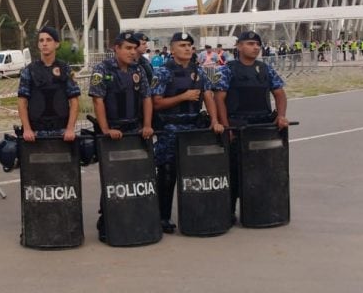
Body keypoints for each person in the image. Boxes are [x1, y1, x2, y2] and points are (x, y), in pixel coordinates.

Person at [150, 32, 223, 234]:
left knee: (195, 174)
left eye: (190, 45)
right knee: (167, 174)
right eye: (182, 45)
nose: (187, 48)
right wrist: (183, 97)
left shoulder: (198, 71)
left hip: (193, 128)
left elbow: (208, 96)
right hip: (170, 129)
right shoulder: (163, 72)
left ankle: (195, 214)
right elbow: (156, 103)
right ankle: (162, 216)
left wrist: (215, 120)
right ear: (172, 49)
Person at [213, 31, 289, 223]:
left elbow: (279, 93)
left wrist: (281, 116)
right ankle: (229, 212)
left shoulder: (265, 69)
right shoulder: (226, 69)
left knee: (263, 171)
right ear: (238, 46)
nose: (255, 47)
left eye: (257, 44)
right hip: (238, 127)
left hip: (262, 127)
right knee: (234, 171)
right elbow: (219, 99)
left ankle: (260, 209)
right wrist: (226, 126)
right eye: (250, 43)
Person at [89, 31, 154, 242]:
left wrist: (146, 125)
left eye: (134, 48)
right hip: (112, 134)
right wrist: (106, 129)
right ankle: (106, 222)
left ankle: (134, 218)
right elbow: (98, 100)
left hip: (135, 131)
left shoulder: (139, 69)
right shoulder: (102, 69)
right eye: (127, 48)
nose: (132, 52)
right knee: (113, 178)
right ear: (116, 48)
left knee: (136, 176)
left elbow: (146, 98)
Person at [17, 26, 80, 141]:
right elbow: (22, 102)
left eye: (49, 40)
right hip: (36, 134)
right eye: (41, 40)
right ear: (38, 45)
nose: (44, 43)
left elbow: (74, 101)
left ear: (57, 44)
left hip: (62, 132)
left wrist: (70, 129)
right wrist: (27, 129)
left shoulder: (65, 69)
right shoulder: (29, 70)